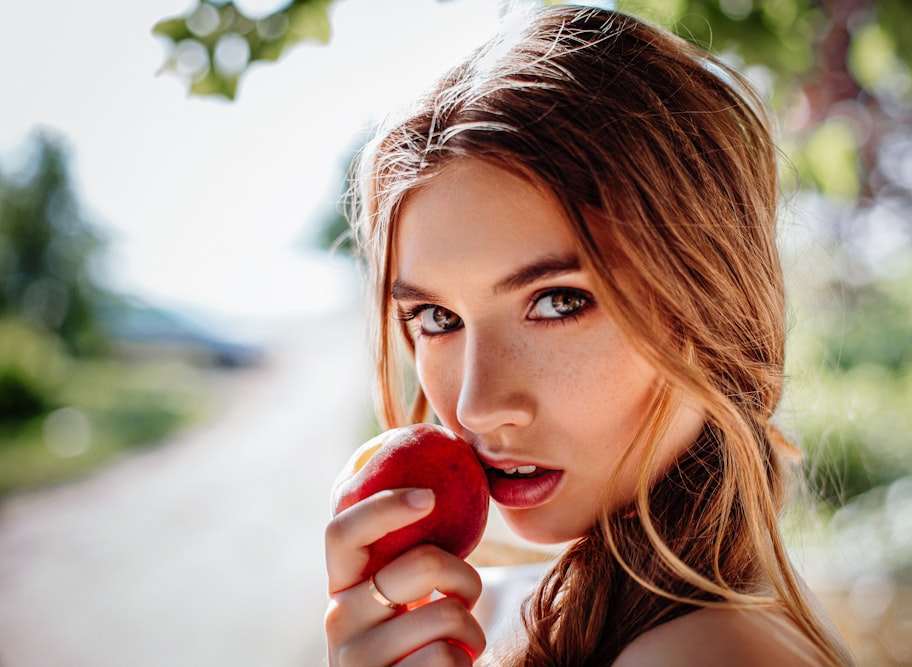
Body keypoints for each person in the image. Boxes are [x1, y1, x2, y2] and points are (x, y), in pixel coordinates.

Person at [324, 4, 855, 666]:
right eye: (438, 319)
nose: (474, 406)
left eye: (558, 300)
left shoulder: (700, 653)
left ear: (714, 303)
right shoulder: (498, 613)